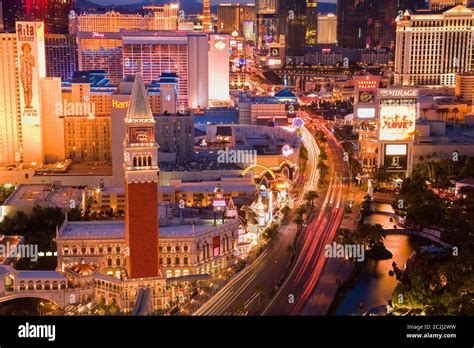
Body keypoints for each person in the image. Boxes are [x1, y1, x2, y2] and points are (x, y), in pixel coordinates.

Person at [20, 43, 35, 109]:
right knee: (25, 89)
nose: (26, 49)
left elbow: (33, 64)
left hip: (29, 74)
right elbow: (21, 62)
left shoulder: (32, 56)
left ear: (29, 49)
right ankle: (26, 104)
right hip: (23, 74)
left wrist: (27, 59)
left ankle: (29, 103)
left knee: (29, 89)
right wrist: (27, 59)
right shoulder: (21, 56)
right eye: (25, 48)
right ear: (23, 49)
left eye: (27, 48)